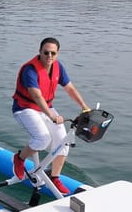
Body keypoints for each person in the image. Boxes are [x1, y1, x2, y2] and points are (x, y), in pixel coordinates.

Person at [11, 37, 92, 195]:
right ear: (40, 52)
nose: (49, 56)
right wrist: (52, 116)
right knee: (43, 138)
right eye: (46, 52)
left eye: (53, 53)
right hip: (25, 108)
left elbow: (69, 88)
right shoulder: (30, 70)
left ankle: (54, 177)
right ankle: (19, 158)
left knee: (63, 141)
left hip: (46, 108)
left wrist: (84, 107)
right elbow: (37, 97)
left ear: (57, 54)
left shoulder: (58, 67)